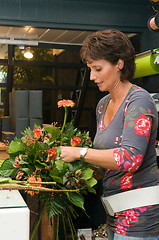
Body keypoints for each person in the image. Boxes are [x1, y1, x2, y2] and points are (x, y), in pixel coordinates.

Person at [60, 29, 159, 240]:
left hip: (140, 218)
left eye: (98, 68)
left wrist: (80, 153)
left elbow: (130, 158)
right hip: (114, 213)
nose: (92, 76)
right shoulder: (103, 105)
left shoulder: (138, 101)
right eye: (90, 69)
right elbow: (106, 161)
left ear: (119, 64)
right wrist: (77, 175)